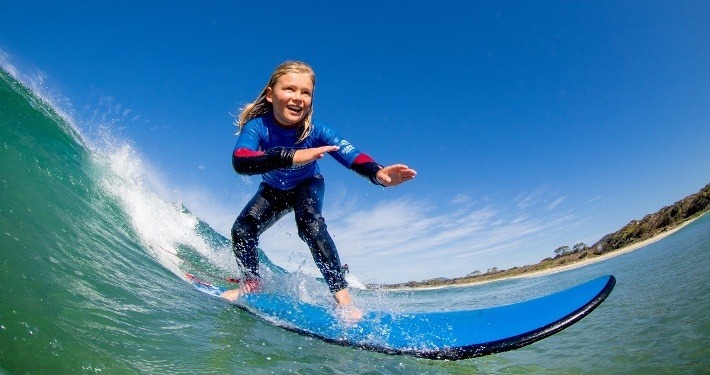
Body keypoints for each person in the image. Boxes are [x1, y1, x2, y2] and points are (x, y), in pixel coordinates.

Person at [220, 61, 416, 318]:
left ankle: (344, 299)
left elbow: (350, 154)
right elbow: (241, 160)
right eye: (289, 89)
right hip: (273, 189)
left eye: (305, 92)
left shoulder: (317, 131)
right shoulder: (258, 127)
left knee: (310, 226)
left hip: (307, 184)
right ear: (270, 94)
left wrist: (377, 173)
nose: (298, 98)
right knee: (242, 229)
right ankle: (252, 285)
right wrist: (291, 156)